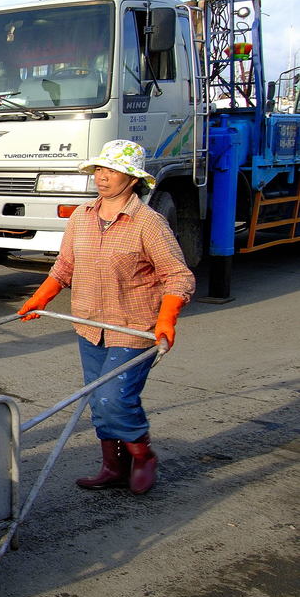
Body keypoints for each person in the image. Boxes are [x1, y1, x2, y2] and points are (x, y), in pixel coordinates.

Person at [17, 140, 194, 495]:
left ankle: (142, 456)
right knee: (97, 399)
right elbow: (64, 267)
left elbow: (179, 276)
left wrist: (167, 318)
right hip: (89, 325)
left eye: (111, 171)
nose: (102, 177)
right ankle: (113, 467)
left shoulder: (148, 223)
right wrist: (40, 297)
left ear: (132, 179)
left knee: (114, 398)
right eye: (99, 169)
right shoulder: (81, 217)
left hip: (132, 328)